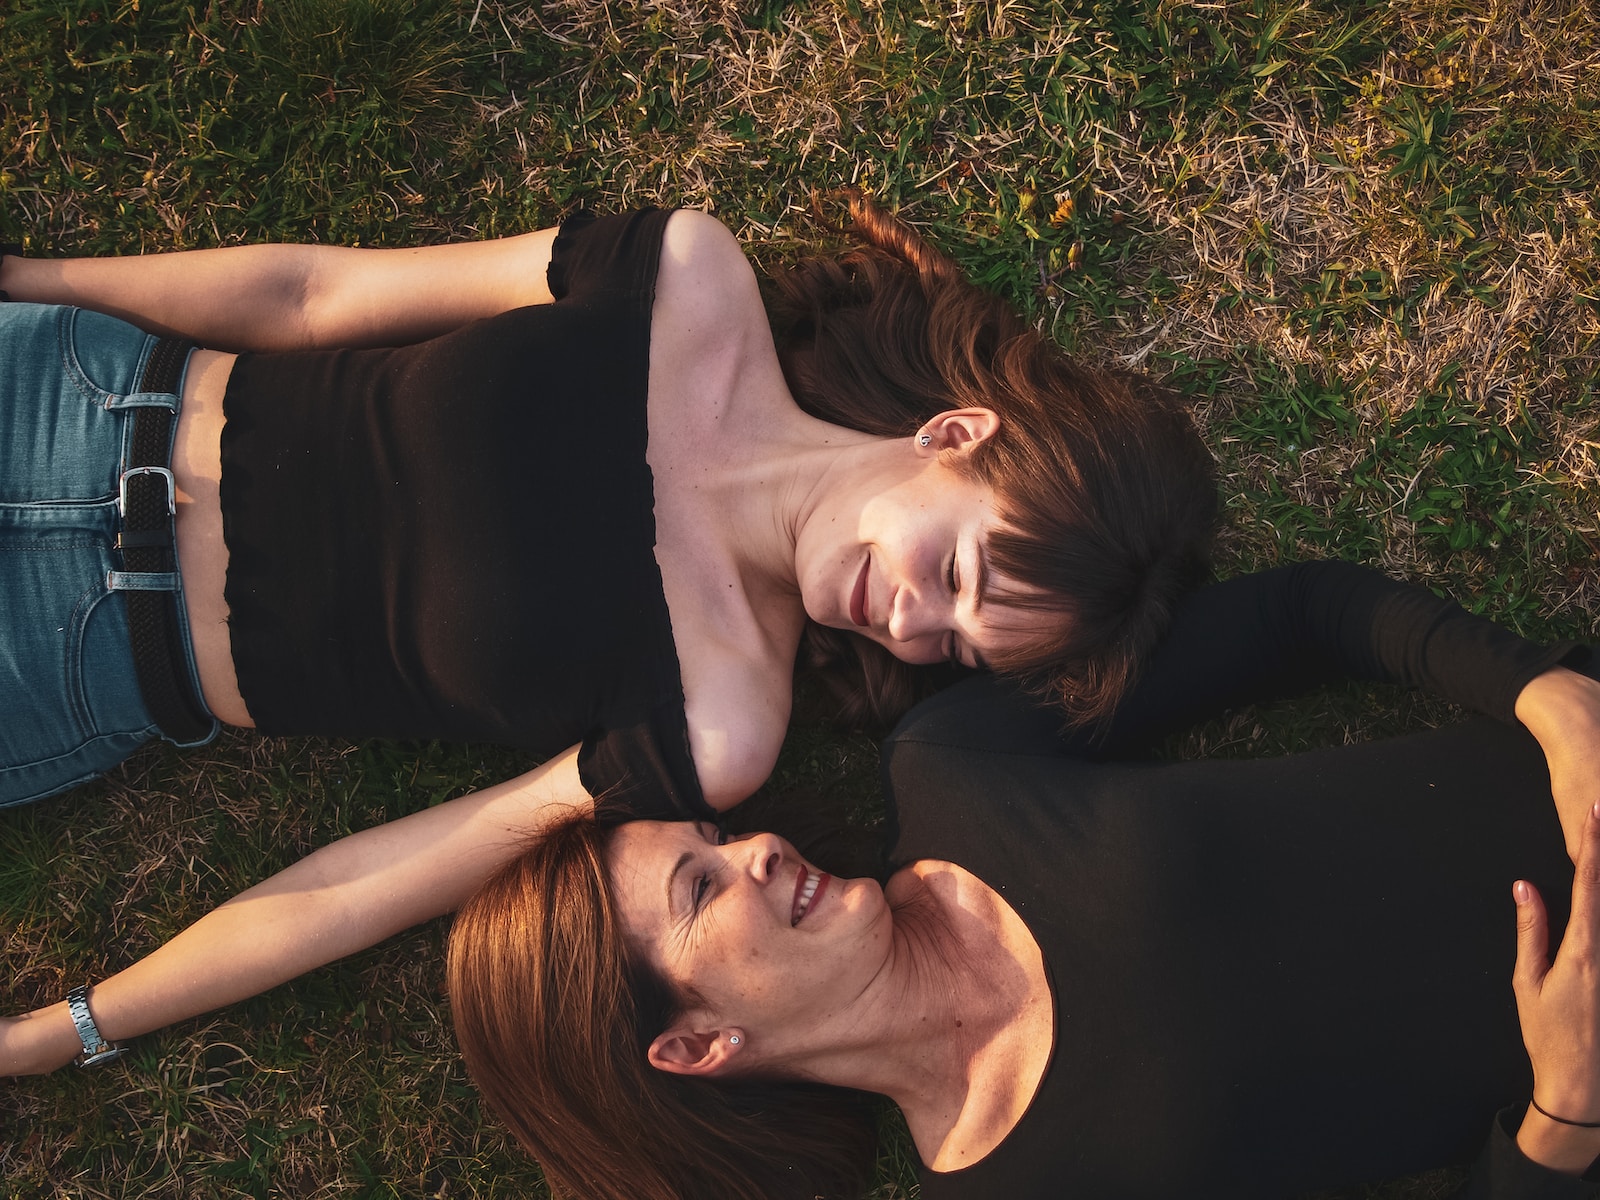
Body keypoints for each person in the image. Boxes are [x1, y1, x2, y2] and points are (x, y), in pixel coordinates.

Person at [0, 201, 1213, 1069]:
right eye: (952, 571)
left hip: (67, 660)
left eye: (951, 649)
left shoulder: (720, 722)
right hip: (72, 398)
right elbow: (314, 294)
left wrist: (70, 1030)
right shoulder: (685, 282)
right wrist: (27, 276)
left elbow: (366, 886)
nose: (907, 621)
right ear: (953, 436)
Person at [447, 566, 1600, 1200]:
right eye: (700, 890)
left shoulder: (956, 767)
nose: (754, 850)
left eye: (715, 835)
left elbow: (1300, 617)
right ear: (696, 1045)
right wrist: (1564, 1113)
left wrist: (1549, 703)